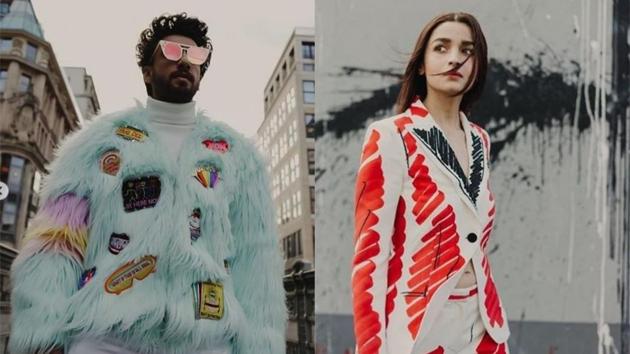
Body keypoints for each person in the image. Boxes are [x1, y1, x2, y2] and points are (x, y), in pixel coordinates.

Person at [9, 13, 286, 354]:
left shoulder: (238, 156)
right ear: (146, 70)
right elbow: (55, 246)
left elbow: (256, 260)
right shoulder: (95, 145)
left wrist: (260, 345)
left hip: (206, 340)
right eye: (171, 52)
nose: (185, 61)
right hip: (106, 337)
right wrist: (43, 337)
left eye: (195, 55)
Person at [351, 12, 510, 354]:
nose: (454, 58)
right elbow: (369, 257)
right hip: (420, 328)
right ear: (421, 64)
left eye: (467, 50)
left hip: (484, 326)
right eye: (441, 48)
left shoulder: (480, 140)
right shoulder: (391, 136)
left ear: (477, 66)